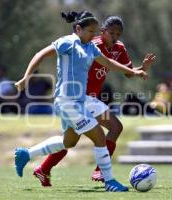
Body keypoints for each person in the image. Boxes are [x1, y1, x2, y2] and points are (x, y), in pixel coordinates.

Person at [14, 11, 149, 192]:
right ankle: (109, 181)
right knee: (99, 135)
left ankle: (26, 154)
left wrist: (135, 72)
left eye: (95, 32)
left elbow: (108, 63)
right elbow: (41, 54)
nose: (94, 36)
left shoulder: (90, 47)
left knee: (69, 142)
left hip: (82, 100)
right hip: (67, 100)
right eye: (91, 32)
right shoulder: (67, 42)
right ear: (78, 29)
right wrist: (25, 78)